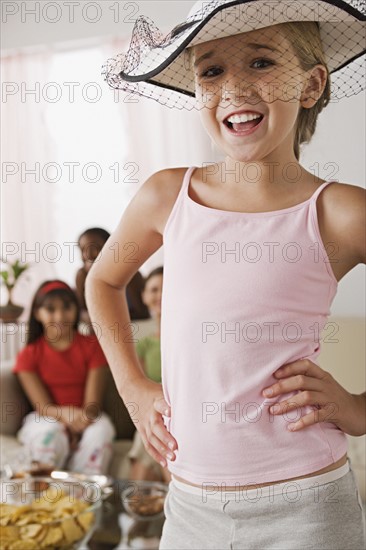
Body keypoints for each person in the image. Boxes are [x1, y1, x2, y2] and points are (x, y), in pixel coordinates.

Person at [88, 1, 366, 547]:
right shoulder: (166, 196)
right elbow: (101, 282)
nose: (233, 87)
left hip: (307, 508)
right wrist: (134, 387)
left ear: (311, 85)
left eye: (261, 62)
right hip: (190, 507)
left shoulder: (338, 212)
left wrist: (357, 408)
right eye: (211, 70)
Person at [13, 280, 116, 474]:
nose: (60, 316)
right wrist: (66, 419)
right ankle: (44, 491)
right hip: (47, 418)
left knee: (101, 431)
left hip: (86, 416)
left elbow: (92, 404)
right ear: (37, 314)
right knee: (50, 432)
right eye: (51, 309)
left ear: (76, 310)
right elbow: (43, 406)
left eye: (66, 308)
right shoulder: (29, 355)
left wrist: (79, 423)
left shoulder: (93, 347)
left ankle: (81, 494)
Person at [127, 266, 171, 482]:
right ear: (144, 296)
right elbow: (138, 390)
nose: (160, 295)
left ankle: (139, 510)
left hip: (179, 415)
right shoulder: (144, 345)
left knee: (155, 432)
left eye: (165, 287)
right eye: (153, 289)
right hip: (154, 414)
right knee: (151, 428)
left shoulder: (193, 340)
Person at [76, 227, 149, 323]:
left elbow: (143, 313)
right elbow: (80, 312)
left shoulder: (131, 274)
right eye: (83, 250)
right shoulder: (82, 276)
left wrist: (105, 318)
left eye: (94, 248)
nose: (88, 255)